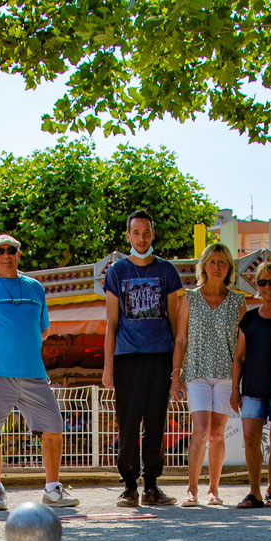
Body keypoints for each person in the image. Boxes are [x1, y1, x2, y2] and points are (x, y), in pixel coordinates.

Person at [0, 233, 79, 512]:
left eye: (11, 250)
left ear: (19, 254)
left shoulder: (36, 288)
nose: (6, 255)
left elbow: (43, 329)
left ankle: (52, 490)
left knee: (54, 426)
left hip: (33, 374)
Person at [103, 210, 185, 507]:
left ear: (153, 234)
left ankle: (151, 485)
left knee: (155, 423)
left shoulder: (167, 271)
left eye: (146, 232)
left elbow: (176, 326)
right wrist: (108, 367)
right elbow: (111, 324)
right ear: (128, 236)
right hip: (127, 358)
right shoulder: (117, 272)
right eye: (136, 232)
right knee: (127, 424)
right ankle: (128, 486)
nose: (142, 238)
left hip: (160, 356)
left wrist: (177, 370)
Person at [172, 243, 245, 506]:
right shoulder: (190, 298)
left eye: (222, 262)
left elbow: (242, 344)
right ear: (204, 266)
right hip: (197, 372)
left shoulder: (238, 301)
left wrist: (240, 382)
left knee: (217, 433)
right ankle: (192, 489)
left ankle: (213, 489)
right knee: (200, 431)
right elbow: (180, 340)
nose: (217, 266)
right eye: (212, 261)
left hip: (227, 374)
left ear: (229, 268)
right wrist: (176, 377)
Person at [230, 260, 271, 508]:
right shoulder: (249, 319)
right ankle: (254, 491)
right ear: (257, 285)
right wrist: (235, 388)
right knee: (250, 438)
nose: (268, 287)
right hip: (253, 388)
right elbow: (239, 357)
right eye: (263, 282)